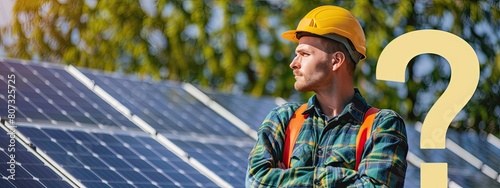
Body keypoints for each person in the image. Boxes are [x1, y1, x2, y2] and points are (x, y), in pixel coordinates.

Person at [246, 5, 408, 187]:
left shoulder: (383, 125)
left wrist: (288, 178)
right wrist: (349, 177)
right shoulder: (282, 119)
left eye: (304, 54)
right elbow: (256, 182)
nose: (293, 63)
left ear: (336, 60)